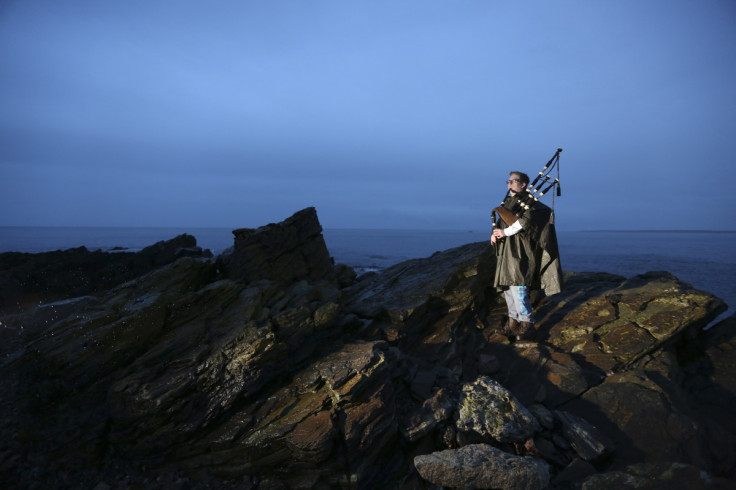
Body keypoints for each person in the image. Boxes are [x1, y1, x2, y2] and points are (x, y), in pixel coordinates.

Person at [490, 171, 563, 340]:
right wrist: (494, 233)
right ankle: (512, 324)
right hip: (507, 250)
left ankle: (527, 325)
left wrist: (505, 231)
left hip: (521, 250)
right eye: (508, 181)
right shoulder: (509, 202)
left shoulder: (534, 204)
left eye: (513, 181)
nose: (509, 184)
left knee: (519, 286)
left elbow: (526, 222)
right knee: (509, 287)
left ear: (523, 184)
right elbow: (502, 222)